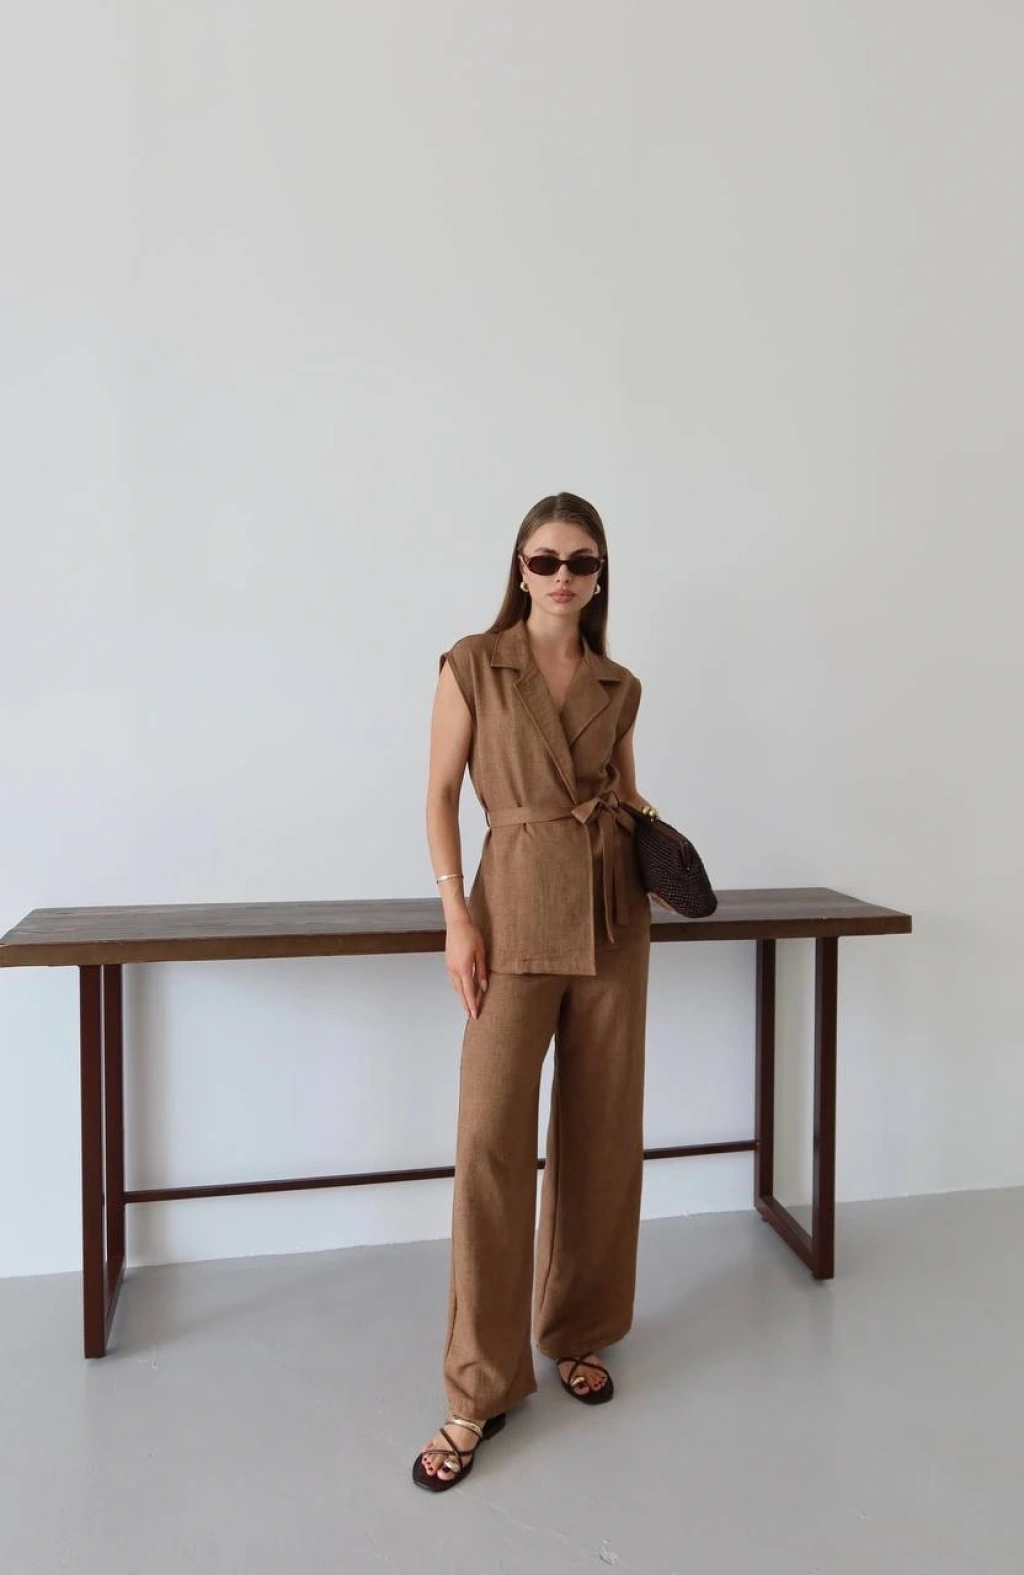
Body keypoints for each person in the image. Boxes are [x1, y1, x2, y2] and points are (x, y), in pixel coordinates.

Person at [412, 492, 666, 1493]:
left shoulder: (619, 683)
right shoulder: (474, 662)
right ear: (518, 567)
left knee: (603, 1134)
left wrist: (659, 849)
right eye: (545, 558)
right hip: (510, 913)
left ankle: (579, 1329)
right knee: (489, 1140)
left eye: (582, 561)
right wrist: (455, 917)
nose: (563, 576)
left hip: (611, 916)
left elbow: (628, 794)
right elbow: (439, 794)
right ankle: (477, 1386)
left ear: (601, 576)